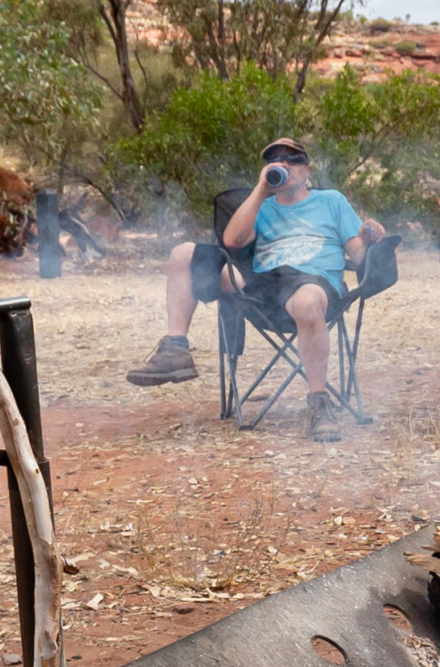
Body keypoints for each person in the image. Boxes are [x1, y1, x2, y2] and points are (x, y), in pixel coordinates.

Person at [120, 137, 383, 440]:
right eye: (275, 160)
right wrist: (261, 190)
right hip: (263, 289)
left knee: (308, 300)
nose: (284, 164)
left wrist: (371, 236)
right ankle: (175, 350)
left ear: (307, 169)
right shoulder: (261, 206)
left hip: (315, 283)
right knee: (182, 254)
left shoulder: (332, 201)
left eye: (292, 159)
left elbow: (359, 254)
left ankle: (318, 404)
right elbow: (231, 242)